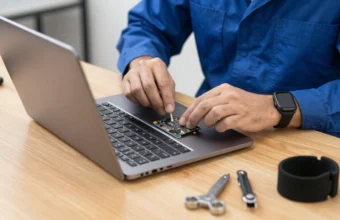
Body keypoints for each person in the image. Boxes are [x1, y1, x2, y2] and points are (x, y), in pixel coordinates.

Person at [117, 0, 340, 137]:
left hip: (311, 147)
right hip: (210, 130)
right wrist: (140, 61)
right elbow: (147, 25)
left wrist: (276, 108)